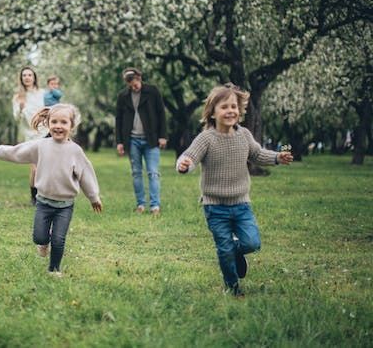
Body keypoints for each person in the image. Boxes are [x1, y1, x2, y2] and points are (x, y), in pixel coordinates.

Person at [176, 83, 293, 297]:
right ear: (212, 112)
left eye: (234, 106)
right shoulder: (206, 138)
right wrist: (184, 164)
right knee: (224, 249)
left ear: (239, 110)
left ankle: (237, 252)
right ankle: (233, 287)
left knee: (252, 242)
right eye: (224, 107)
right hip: (215, 207)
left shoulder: (244, 135)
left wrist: (277, 157)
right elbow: (190, 156)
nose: (230, 111)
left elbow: (257, 154)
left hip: (241, 204)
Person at [0, 103, 103, 276]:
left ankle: (54, 269)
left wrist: (94, 197)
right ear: (48, 124)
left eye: (63, 122)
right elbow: (17, 152)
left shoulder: (75, 151)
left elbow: (86, 175)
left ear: (71, 126)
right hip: (43, 202)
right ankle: (43, 243)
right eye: (54, 122)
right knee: (39, 237)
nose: (58, 126)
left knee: (59, 240)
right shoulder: (41, 146)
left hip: (65, 205)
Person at [115, 67, 167, 216]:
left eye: (135, 82)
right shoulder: (123, 96)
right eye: (130, 84)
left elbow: (161, 113)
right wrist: (119, 141)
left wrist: (163, 136)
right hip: (132, 140)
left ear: (139, 78)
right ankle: (140, 204)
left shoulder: (152, 91)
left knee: (153, 172)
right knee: (136, 173)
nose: (134, 86)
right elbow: (118, 119)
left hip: (151, 139)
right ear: (127, 83)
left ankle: (155, 206)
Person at [12, 66, 46, 205]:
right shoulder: (18, 97)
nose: (27, 77)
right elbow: (16, 118)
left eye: (29, 75)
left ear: (34, 77)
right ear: (21, 78)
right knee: (35, 166)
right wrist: (20, 108)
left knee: (45, 165)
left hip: (46, 132)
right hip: (31, 135)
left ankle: (46, 194)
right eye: (24, 75)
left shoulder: (42, 93)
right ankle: (34, 196)